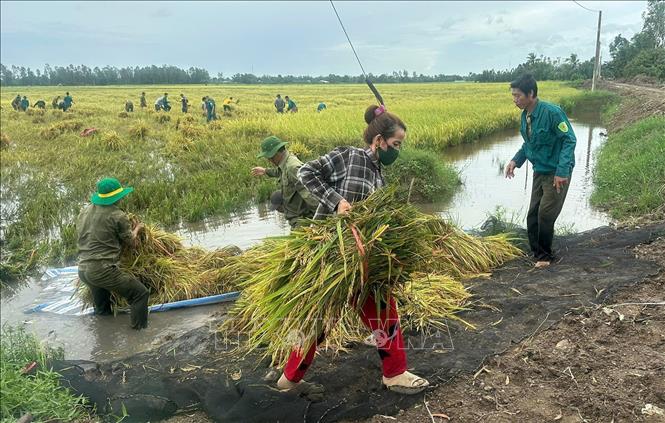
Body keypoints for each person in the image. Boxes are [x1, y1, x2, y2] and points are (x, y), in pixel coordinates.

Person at [274, 104, 430, 399]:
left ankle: (394, 374)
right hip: (332, 256)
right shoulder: (349, 156)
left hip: (360, 262)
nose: (397, 151)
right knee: (320, 319)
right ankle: (289, 380)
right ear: (379, 140)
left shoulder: (379, 175)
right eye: (395, 144)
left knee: (383, 311)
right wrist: (336, 201)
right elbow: (306, 172)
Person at [504, 74, 576, 269]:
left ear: (531, 94)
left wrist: (562, 171)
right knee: (533, 214)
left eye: (518, 96)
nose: (515, 99)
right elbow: (529, 144)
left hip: (556, 172)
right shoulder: (525, 116)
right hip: (540, 170)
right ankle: (537, 252)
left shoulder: (552, 113)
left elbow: (569, 140)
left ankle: (545, 257)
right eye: (513, 95)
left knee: (545, 213)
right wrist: (515, 161)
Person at [76, 177, 149, 330]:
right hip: (102, 270)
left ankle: (105, 339)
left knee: (102, 310)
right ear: (117, 197)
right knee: (140, 294)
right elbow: (133, 244)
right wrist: (137, 228)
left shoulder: (85, 211)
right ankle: (139, 337)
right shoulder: (118, 215)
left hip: (83, 270)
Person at [251, 136, 319, 228]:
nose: (269, 160)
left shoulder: (292, 167)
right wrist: (265, 171)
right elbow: (281, 172)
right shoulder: (285, 163)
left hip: (303, 222)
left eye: (269, 157)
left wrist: (320, 221)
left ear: (275, 153)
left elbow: (309, 194)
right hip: (298, 221)